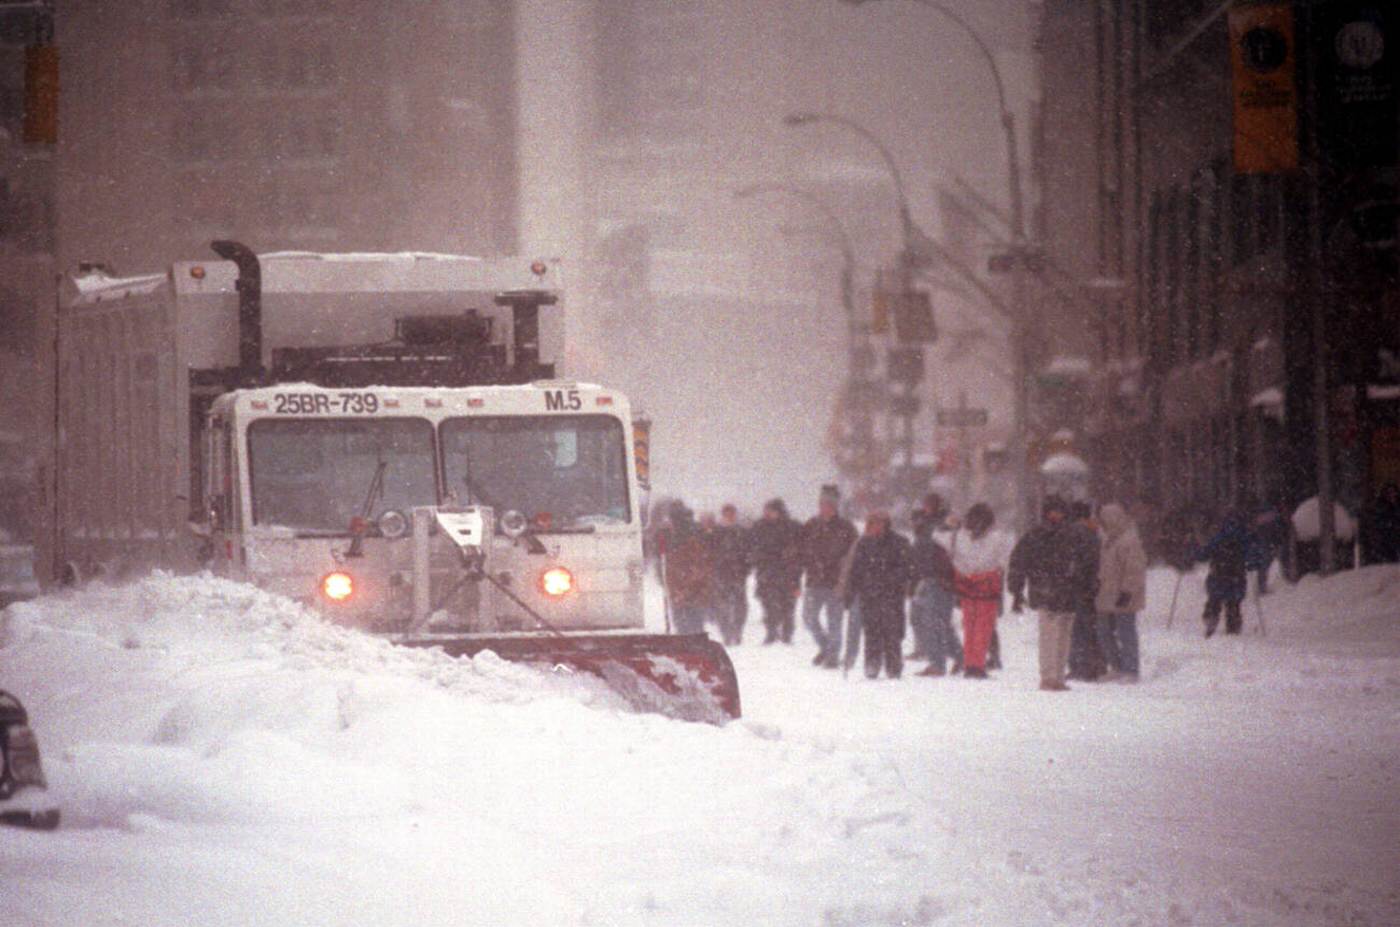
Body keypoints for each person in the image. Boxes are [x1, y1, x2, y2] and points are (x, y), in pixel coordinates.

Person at [1008, 496, 1098, 691]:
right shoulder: (1041, 535)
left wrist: (1089, 585)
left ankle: (1058, 675)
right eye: (1052, 511)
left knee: (1063, 636)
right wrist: (1016, 588)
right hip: (1048, 591)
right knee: (1050, 636)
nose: (1055, 515)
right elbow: (1019, 562)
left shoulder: (1067, 535)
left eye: (1058, 511)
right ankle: (1048, 676)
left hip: (1065, 591)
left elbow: (1088, 563)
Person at [844, 511, 912, 679]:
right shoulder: (864, 544)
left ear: (885, 524)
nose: (874, 526)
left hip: (891, 596)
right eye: (871, 523)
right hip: (869, 595)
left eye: (877, 523)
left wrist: (889, 581)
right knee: (871, 632)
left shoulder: (899, 543)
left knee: (892, 632)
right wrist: (850, 592)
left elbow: (906, 569)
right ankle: (872, 665)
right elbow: (855, 571)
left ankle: (893, 667)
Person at [950, 503, 1011, 679]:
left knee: (969, 627)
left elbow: (955, 559)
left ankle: (969, 664)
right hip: (988, 587)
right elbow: (1002, 562)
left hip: (967, 586)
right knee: (983, 629)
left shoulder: (962, 537)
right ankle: (977, 665)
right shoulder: (998, 538)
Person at [799, 485, 858, 668]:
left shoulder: (846, 528)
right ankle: (826, 646)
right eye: (822, 503)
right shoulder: (811, 525)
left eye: (828, 504)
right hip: (814, 580)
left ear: (835, 506)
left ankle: (833, 656)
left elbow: (855, 554)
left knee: (835, 622)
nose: (824, 507)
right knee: (809, 618)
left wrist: (850, 580)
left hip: (837, 582)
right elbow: (800, 552)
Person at [1094, 503, 1147, 683]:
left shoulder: (1129, 540)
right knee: (1103, 631)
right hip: (1105, 594)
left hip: (1124, 595)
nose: (1105, 522)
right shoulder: (1106, 539)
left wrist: (1128, 591)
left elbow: (1135, 569)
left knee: (1126, 633)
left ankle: (1131, 670)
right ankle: (1116, 666)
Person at [909, 506, 961, 676]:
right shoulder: (928, 535)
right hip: (929, 581)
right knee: (938, 623)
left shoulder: (938, 535)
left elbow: (945, 559)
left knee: (933, 623)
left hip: (938, 582)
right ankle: (960, 657)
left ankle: (938, 663)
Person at [749, 498, 802, 644]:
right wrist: (756, 560)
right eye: (766, 511)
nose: (767, 513)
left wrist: (795, 573)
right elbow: (752, 547)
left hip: (788, 573)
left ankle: (787, 634)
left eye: (770, 511)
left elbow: (798, 553)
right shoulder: (759, 527)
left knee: (787, 607)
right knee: (768, 605)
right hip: (766, 573)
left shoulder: (791, 527)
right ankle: (771, 632)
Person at [1066, 501, 1105, 682]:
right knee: (1090, 627)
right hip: (1092, 586)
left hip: (1079, 586)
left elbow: (1073, 560)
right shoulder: (1095, 532)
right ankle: (1095, 665)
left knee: (1077, 628)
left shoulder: (1074, 532)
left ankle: (1079, 666)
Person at [663, 504, 716, 635]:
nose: (668, 523)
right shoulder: (675, 540)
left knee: (691, 630)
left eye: (671, 520)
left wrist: (684, 592)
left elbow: (700, 571)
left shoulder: (692, 542)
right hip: (682, 596)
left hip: (691, 596)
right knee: (685, 630)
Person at [1197, 509, 1248, 637]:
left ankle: (1211, 623)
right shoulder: (1244, 539)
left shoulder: (1218, 538)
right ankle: (1233, 628)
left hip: (1218, 576)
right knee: (1233, 604)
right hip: (1237, 578)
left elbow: (1204, 554)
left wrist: (1191, 555)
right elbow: (1254, 557)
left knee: (1214, 601)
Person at [709, 503, 751, 646]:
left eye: (732, 514)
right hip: (721, 574)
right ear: (723, 515)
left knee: (740, 607)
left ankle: (737, 631)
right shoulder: (716, 532)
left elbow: (748, 553)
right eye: (727, 514)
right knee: (721, 607)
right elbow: (710, 552)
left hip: (738, 574)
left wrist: (745, 569)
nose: (729, 517)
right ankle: (726, 633)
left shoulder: (742, 532)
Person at [1246, 498, 1286, 594]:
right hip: (1268, 545)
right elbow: (1277, 532)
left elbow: (1255, 534)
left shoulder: (1263, 518)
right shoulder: (1274, 517)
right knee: (1264, 566)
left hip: (1266, 545)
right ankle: (1262, 587)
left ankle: (1262, 587)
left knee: (1263, 567)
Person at [1365, 483, 1400, 564]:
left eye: (1394, 492)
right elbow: (1378, 522)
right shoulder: (1381, 506)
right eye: (1389, 492)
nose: (1392, 495)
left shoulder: (1397, 504)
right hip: (1385, 538)